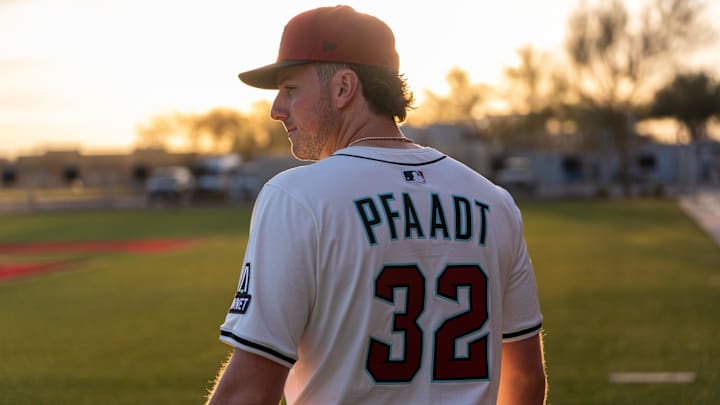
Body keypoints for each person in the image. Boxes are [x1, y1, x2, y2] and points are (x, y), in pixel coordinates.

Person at [207, 5, 546, 404]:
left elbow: (247, 391)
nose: (276, 109)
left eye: (290, 88)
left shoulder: (297, 198)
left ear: (344, 87)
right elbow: (523, 379)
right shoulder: (493, 200)